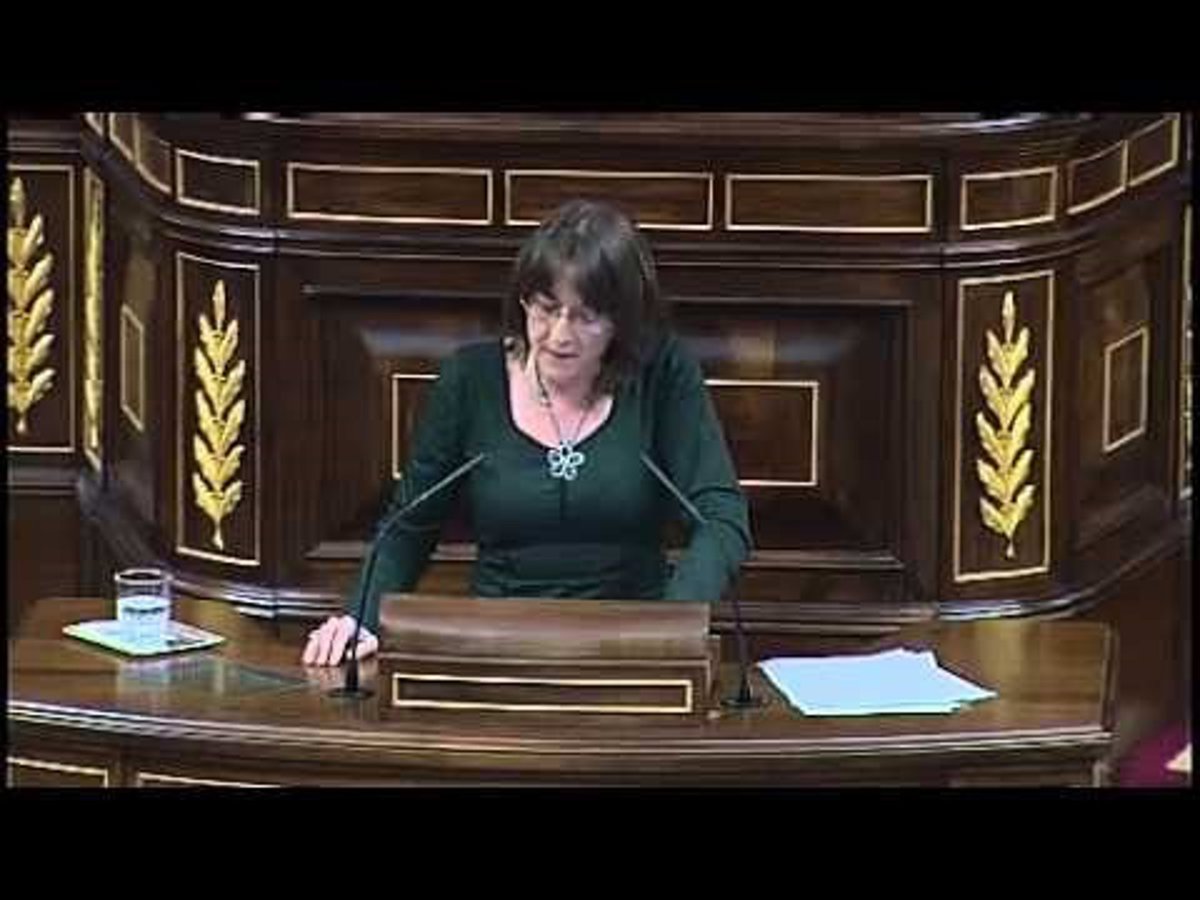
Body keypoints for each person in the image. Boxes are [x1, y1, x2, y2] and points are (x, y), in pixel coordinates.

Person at [303, 199, 752, 666]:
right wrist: (361, 618)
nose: (559, 335)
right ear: (524, 301)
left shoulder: (662, 374)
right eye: (546, 309)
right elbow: (409, 527)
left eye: (585, 317)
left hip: (631, 647)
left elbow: (722, 517)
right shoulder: (470, 380)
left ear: (623, 321)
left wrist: (668, 627)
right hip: (496, 646)